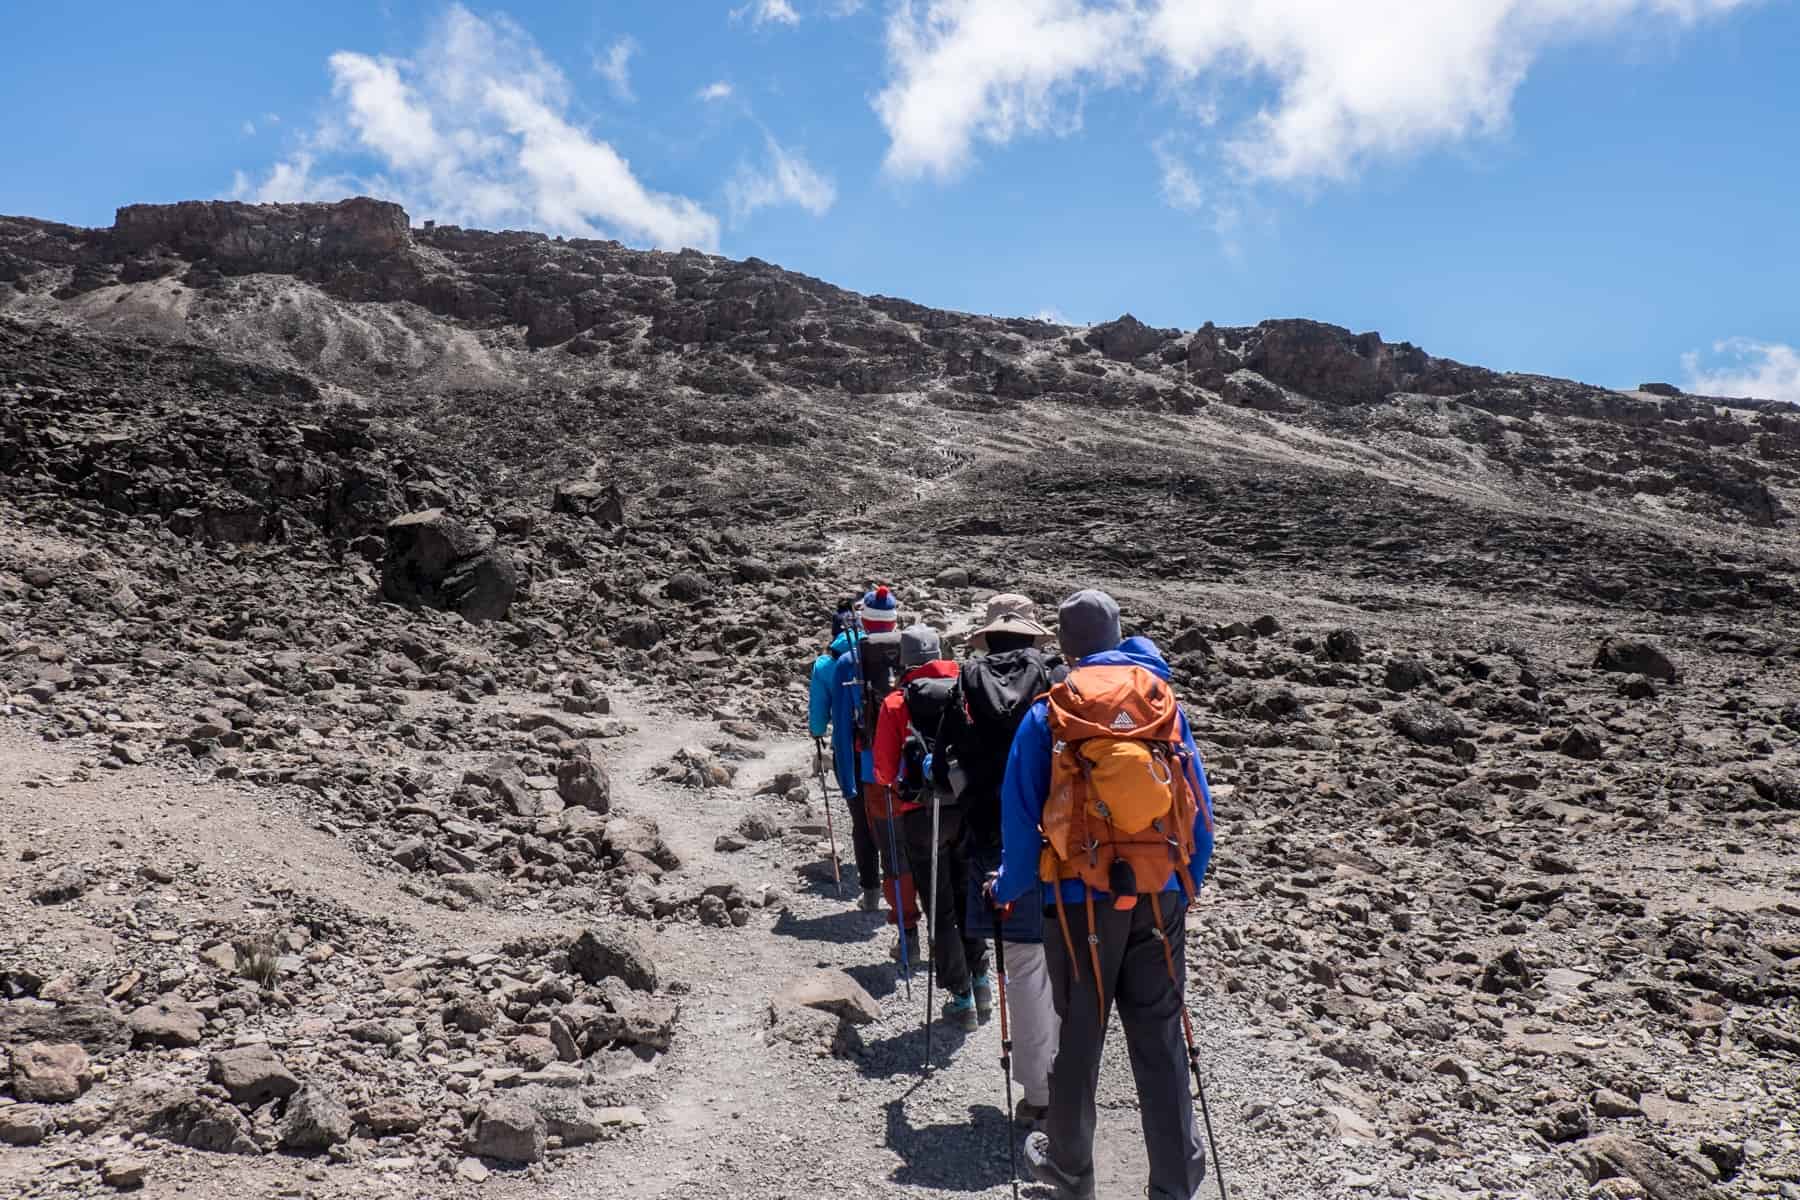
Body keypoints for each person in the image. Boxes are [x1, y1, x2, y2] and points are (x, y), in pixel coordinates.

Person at [990, 589, 1216, 1200]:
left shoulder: (1052, 712)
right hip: (1158, 892)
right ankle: (1174, 1185)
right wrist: (1182, 885)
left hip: (1077, 898)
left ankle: (1070, 1174)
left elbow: (1018, 815)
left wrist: (1010, 889)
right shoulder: (1160, 704)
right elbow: (1198, 811)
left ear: (1064, 644)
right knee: (1161, 1041)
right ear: (1118, 635)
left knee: (1081, 1038)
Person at [957, 594, 1062, 1124]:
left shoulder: (967, 682)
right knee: (1067, 966)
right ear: (1031, 637)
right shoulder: (1059, 679)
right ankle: (1071, 1080)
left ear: (989, 636)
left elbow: (945, 759)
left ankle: (1037, 1096)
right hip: (1064, 840)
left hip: (995, 838)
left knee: (1021, 966)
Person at [873, 623, 989, 1029]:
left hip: (921, 813)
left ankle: (961, 999)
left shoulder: (895, 703)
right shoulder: (969, 689)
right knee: (968, 895)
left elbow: (884, 770)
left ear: (904, 662)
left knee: (939, 906)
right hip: (969, 807)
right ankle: (981, 978)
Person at [828, 586, 922, 961]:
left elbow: (840, 729)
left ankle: (906, 933)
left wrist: (848, 782)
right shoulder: (913, 651)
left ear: (863, 619)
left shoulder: (848, 660)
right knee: (920, 850)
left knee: (891, 853)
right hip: (917, 768)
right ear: (895, 619)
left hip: (872, 772)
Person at [808, 598, 881, 909]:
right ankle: (903, 893)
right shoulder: (881, 655)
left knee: (861, 821)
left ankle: (871, 893)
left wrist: (816, 734)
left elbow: (818, 720)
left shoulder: (827, 664)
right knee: (890, 817)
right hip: (886, 746)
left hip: (848, 752)